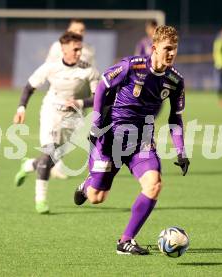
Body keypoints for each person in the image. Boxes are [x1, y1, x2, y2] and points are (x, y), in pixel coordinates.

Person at [73, 25, 190, 255]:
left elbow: (175, 118)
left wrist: (181, 151)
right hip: (111, 137)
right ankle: (87, 185)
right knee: (97, 197)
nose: (171, 54)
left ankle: (125, 240)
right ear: (154, 48)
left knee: (154, 184)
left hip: (142, 140)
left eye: (174, 49)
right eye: (167, 49)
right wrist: (96, 122)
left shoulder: (175, 81)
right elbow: (102, 87)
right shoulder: (131, 66)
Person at [13, 32, 99, 214]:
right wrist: (21, 108)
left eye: (80, 49)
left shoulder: (88, 70)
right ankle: (41, 199)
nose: (78, 53)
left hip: (74, 119)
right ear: (63, 49)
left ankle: (28, 165)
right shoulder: (50, 67)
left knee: (51, 159)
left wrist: (80, 103)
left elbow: (98, 98)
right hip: (50, 113)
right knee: (49, 153)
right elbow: (29, 87)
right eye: (74, 49)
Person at [47, 19, 96, 179]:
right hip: (61, 98)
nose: (79, 33)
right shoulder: (57, 47)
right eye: (76, 29)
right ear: (68, 30)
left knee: (78, 133)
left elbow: (92, 74)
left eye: (82, 30)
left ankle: (49, 162)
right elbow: (49, 68)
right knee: (58, 132)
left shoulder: (88, 51)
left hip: (81, 98)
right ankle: (54, 164)